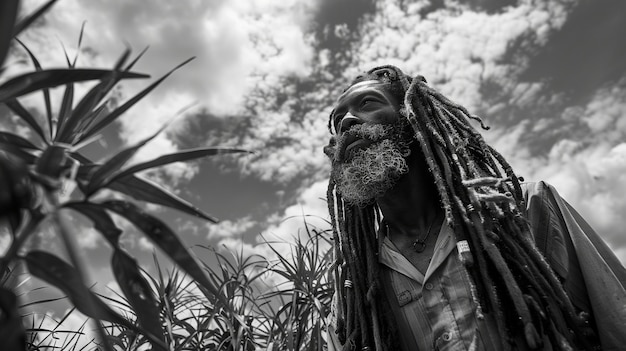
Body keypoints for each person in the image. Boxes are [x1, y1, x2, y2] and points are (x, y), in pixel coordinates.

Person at [323, 65, 626, 351]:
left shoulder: (527, 211)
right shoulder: (353, 292)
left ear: (414, 118)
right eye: (338, 122)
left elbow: (617, 320)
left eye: (367, 103)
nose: (347, 121)